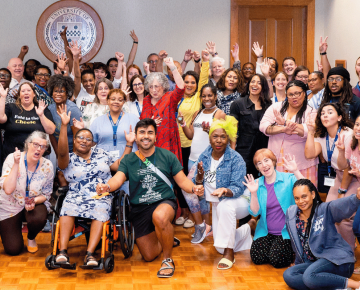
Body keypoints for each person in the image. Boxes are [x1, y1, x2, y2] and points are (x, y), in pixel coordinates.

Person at [96, 118, 204, 278]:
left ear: (155, 136)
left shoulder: (167, 156)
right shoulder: (129, 159)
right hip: (139, 208)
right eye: (142, 133)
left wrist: (194, 188)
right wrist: (107, 186)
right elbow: (118, 178)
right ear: (136, 136)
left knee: (159, 216)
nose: (146, 136)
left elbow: (182, 181)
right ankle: (165, 237)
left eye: (150, 133)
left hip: (164, 202)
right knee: (148, 255)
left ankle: (167, 260)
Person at [54, 104, 133, 266]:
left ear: (93, 143)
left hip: (101, 194)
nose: (84, 141)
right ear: (74, 141)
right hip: (76, 194)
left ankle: (90, 255)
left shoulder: (101, 154)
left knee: (100, 208)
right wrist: (64, 125)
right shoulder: (68, 158)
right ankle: (62, 252)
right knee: (68, 206)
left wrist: (129, 144)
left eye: (88, 139)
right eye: (80, 138)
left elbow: (119, 166)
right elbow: (61, 152)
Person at [188, 116, 255, 269]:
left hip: (240, 200)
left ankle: (229, 254)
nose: (219, 140)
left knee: (226, 207)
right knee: (219, 245)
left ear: (228, 139)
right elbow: (197, 186)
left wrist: (226, 190)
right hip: (218, 205)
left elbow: (238, 188)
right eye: (215, 136)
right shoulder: (204, 157)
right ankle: (248, 227)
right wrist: (198, 178)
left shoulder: (236, 159)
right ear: (210, 138)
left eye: (223, 137)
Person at [283, 179, 360, 290]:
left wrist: (356, 198)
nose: (301, 201)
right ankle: (334, 285)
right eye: (297, 198)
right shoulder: (291, 215)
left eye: (304, 196)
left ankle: (356, 285)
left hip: (339, 261)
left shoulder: (324, 209)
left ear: (313, 194)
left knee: (309, 276)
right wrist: (298, 263)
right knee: (289, 275)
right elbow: (296, 244)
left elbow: (340, 206)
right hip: (316, 264)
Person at [305, 102, 358, 251]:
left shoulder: (348, 134)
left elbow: (347, 167)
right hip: (339, 176)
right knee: (327, 213)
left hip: (353, 178)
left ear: (340, 117)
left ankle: (348, 254)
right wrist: (310, 132)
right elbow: (310, 154)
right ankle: (336, 248)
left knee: (344, 217)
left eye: (330, 112)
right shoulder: (322, 136)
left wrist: (341, 191)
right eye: (322, 113)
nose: (325, 115)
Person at [243, 149, 304, 268]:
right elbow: (255, 212)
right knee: (256, 257)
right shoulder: (256, 184)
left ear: (273, 161)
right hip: (266, 231)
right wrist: (254, 193)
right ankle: (277, 248)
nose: (264, 165)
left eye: (266, 160)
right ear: (257, 168)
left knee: (277, 260)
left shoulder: (288, 178)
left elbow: (308, 188)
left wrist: (296, 171)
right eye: (259, 163)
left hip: (286, 232)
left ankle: (291, 248)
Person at [0, 131, 54, 255]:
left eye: (43, 146)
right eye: (35, 144)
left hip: (32, 205)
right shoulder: (12, 158)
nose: (38, 149)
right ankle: (14, 228)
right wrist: (16, 164)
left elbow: (46, 195)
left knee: (39, 217)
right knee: (13, 249)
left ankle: (31, 237)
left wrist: (33, 201)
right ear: (27, 144)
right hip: (10, 204)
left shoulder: (48, 166)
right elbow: (7, 189)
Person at [175, 50, 210, 227]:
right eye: (186, 82)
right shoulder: (176, 96)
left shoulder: (198, 98)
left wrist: (204, 60)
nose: (189, 85)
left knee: (192, 182)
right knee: (178, 180)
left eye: (192, 82)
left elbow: (204, 78)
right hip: (175, 144)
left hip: (191, 145)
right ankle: (185, 212)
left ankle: (193, 215)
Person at [259, 80, 318, 186]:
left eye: (297, 93)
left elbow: (308, 130)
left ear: (304, 93)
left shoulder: (311, 111)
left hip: (301, 162)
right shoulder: (276, 107)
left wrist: (285, 122)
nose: (294, 97)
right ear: (286, 95)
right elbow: (263, 127)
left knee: (304, 194)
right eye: (290, 94)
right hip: (276, 159)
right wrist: (283, 129)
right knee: (280, 195)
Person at [89, 88, 139, 193]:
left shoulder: (133, 119)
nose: (116, 102)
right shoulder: (97, 121)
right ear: (107, 101)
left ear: (124, 102)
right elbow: (91, 143)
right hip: (105, 163)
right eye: (113, 99)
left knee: (128, 191)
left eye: (120, 99)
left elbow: (140, 140)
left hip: (128, 161)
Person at [140, 57, 185, 162]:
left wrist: (173, 68)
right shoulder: (146, 100)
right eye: (151, 87)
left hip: (167, 144)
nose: (154, 90)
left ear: (163, 86)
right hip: (149, 145)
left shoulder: (169, 97)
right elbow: (142, 122)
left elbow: (181, 87)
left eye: (157, 86)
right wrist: (151, 123)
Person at [0, 82, 55, 163]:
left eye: (29, 90)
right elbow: (1, 119)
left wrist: (41, 115)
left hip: (35, 157)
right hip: (12, 157)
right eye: (23, 91)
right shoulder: (11, 107)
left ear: (34, 94)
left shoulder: (41, 108)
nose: (26, 92)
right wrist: (3, 97)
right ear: (19, 95)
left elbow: (51, 130)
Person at [230, 74, 272, 177]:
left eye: (259, 83)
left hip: (264, 148)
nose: (255, 85)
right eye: (253, 81)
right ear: (248, 84)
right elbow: (233, 130)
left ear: (263, 87)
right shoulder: (237, 104)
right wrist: (232, 151)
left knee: (264, 178)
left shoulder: (268, 104)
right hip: (244, 149)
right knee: (244, 179)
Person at [47, 74, 82, 154]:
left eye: (62, 91)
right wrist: (58, 154)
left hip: (72, 150)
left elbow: (76, 136)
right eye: (55, 91)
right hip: (56, 149)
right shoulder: (50, 109)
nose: (58, 94)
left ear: (67, 94)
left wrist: (74, 156)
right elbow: (51, 134)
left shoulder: (72, 109)